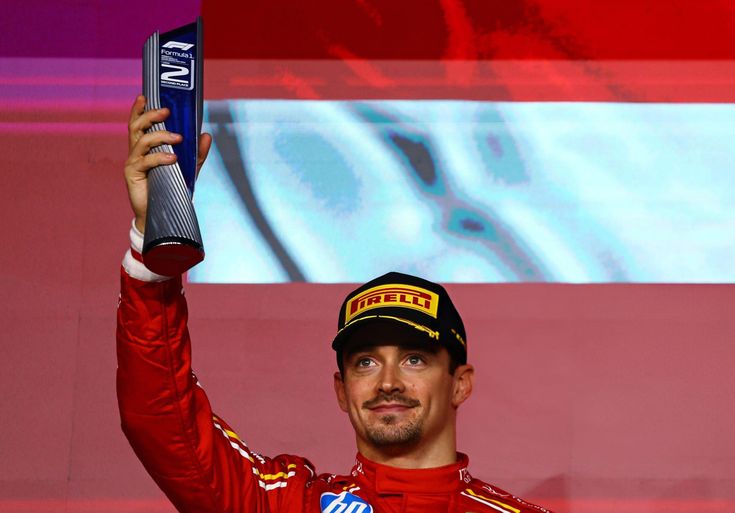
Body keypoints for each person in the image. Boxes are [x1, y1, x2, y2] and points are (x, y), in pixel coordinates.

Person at [118, 96, 554, 513]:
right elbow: (163, 422)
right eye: (365, 362)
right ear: (342, 391)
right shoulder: (288, 504)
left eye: (415, 359)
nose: (387, 382)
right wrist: (154, 240)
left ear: (460, 383)